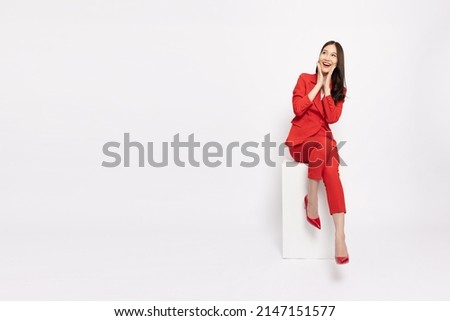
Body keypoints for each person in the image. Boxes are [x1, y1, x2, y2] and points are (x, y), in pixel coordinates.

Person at [285, 40, 349, 265]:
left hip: (322, 145)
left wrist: (327, 86)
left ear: (337, 63)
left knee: (331, 172)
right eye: (324, 52)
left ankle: (339, 235)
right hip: (302, 142)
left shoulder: (339, 90)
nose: (327, 57)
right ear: (318, 56)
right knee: (323, 144)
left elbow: (331, 118)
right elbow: (298, 108)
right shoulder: (304, 79)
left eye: (333, 55)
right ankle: (311, 202)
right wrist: (317, 84)